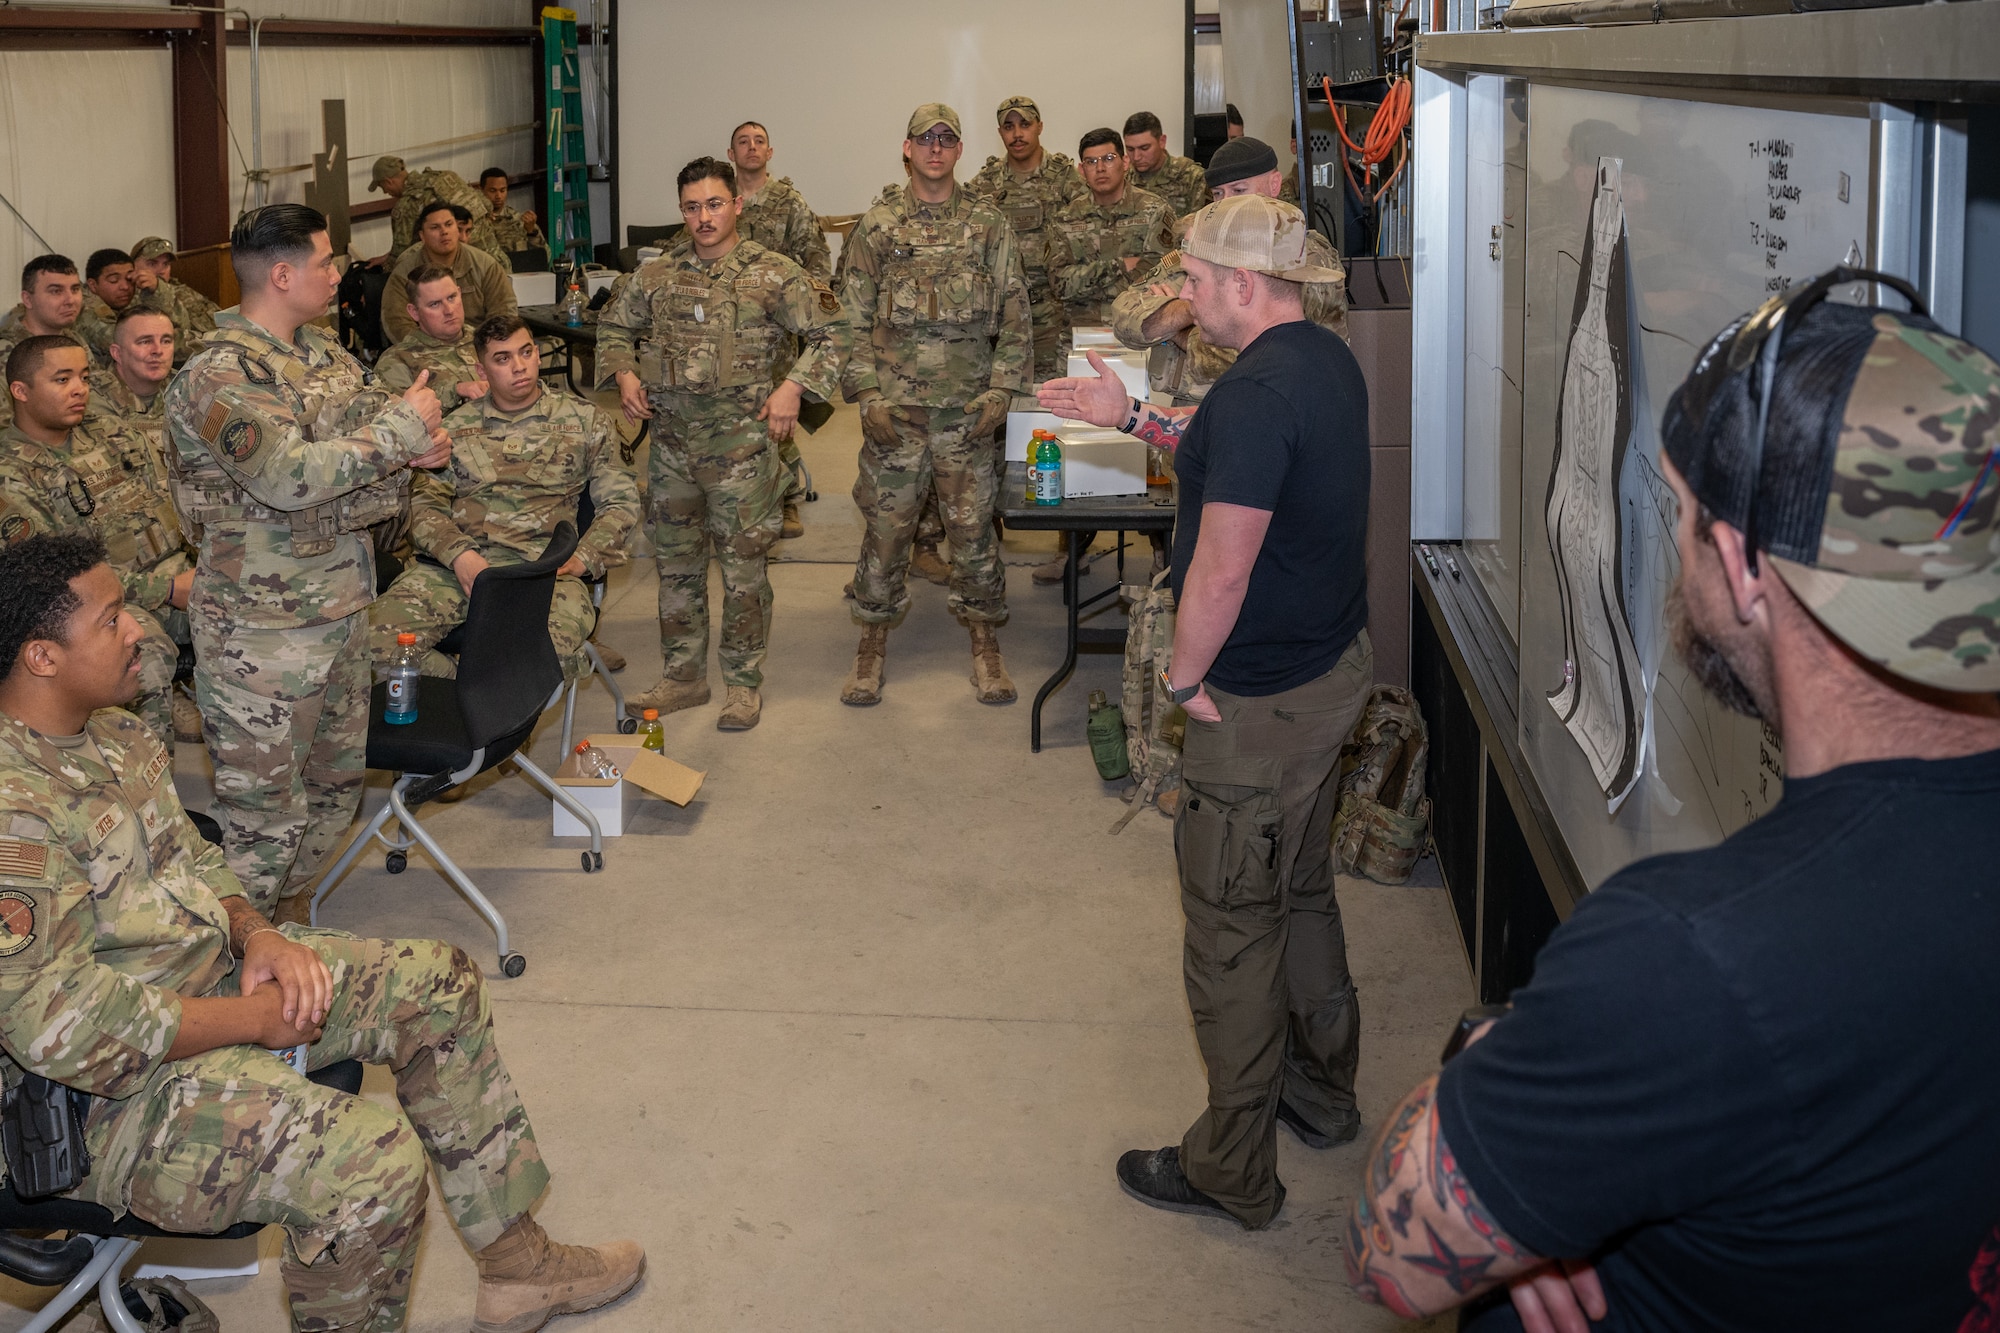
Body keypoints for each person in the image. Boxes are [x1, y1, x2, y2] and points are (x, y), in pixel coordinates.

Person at [1345, 277, 2000, 1333]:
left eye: (1681, 513)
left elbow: (1392, 1251)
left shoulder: (1690, 956)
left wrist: (1493, 1057)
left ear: (1741, 565)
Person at [0, 532, 645, 1333]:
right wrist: (252, 1021)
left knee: (437, 983)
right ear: (41, 656)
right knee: (369, 1167)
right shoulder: (13, 809)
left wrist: (258, 934)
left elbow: (196, 859)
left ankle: (518, 1270)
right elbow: (59, 1025)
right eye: (111, 618)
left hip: (200, 988)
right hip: (93, 1102)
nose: (137, 627)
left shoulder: (118, 735)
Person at [1038, 193, 1370, 1231]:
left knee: (1230, 930)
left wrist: (1182, 686)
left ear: (1239, 284)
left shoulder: (1257, 395)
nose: (1179, 293)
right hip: (1330, 681)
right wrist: (1131, 418)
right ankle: (1321, 1096)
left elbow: (1218, 572)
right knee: (1303, 889)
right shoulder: (1318, 360)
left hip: (1256, 704)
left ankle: (1230, 1168)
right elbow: (1235, 464)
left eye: (1190, 277)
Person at [164, 203, 450, 922]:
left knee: (333, 790)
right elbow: (290, 476)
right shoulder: (217, 377)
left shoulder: (322, 354)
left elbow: (363, 453)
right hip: (260, 635)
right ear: (283, 274)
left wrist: (414, 450)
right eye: (326, 261)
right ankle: (233, 970)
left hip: (342, 609)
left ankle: (287, 927)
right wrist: (399, 432)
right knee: (263, 817)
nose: (337, 272)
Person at [598, 156, 849, 732]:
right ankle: (683, 676)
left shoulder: (774, 274)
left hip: (742, 451)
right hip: (671, 450)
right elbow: (613, 326)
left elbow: (834, 333)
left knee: (742, 571)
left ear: (737, 204)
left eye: (714, 204)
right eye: (692, 207)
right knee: (676, 566)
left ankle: (742, 683)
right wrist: (625, 373)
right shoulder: (658, 275)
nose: (704, 217)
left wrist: (793, 388)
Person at [837, 104, 1029, 708]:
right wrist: (866, 393)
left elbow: (1016, 314)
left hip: (966, 416)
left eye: (947, 139)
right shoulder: (880, 226)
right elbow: (851, 318)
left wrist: (1001, 389)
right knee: (887, 535)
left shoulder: (988, 225)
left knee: (973, 536)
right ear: (907, 147)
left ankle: (985, 644)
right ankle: (870, 646)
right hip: (896, 418)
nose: (936, 149)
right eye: (926, 139)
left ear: (959, 149)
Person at [370, 314, 635, 684]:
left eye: (526, 352)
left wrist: (583, 559)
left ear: (538, 355)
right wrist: (460, 556)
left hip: (543, 577)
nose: (520, 366)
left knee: (537, 655)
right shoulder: (456, 429)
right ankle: (474, 695)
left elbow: (620, 502)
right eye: (503, 358)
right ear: (482, 369)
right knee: (371, 644)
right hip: (457, 571)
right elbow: (423, 506)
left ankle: (485, 701)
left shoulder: (585, 421)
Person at [0, 336, 192, 749]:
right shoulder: (9, 472)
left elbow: (164, 499)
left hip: (177, 572)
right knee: (146, 657)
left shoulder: (109, 433)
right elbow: (55, 581)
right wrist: (171, 589)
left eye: (85, 377)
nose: (79, 389)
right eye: (62, 379)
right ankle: (145, 792)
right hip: (99, 606)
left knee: (260, 595)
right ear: (21, 391)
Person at [1033, 127, 1175, 588]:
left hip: (1144, 348)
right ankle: (1072, 549)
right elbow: (1061, 284)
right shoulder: (1064, 218)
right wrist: (1121, 268)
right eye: (1091, 161)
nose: (1100, 168)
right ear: (1080, 169)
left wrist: (1101, 273)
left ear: (1125, 161)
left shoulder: (1156, 211)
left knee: (1153, 447)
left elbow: (1167, 279)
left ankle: (1163, 552)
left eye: (1109, 158)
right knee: (1075, 447)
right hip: (1082, 347)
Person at [1113, 136, 1348, 408]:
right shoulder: (1203, 247)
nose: (1225, 204)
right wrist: (1189, 309)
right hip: (1190, 414)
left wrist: (1177, 331)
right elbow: (1124, 316)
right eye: (1217, 194)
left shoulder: (1301, 255)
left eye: (1238, 190)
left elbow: (1260, 356)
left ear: (1274, 184)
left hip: (1270, 409)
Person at [724, 120, 832, 543]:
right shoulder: (721, 198)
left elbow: (817, 256)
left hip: (775, 329)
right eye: (742, 142)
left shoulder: (788, 201)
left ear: (770, 152)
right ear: (731, 154)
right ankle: (743, 492)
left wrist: (807, 309)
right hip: (726, 328)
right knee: (734, 412)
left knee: (775, 410)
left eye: (759, 141)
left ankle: (786, 495)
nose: (751, 148)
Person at [968, 94, 1089, 382]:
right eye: (1008, 127)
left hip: (1051, 316)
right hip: (1000, 318)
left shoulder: (1066, 180)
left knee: (1050, 402)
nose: (1017, 133)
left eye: (1025, 124)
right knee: (1002, 406)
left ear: (1039, 127)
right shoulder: (985, 184)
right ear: (1000, 133)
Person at [381, 199, 518, 344]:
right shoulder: (404, 273)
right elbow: (396, 322)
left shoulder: (485, 265)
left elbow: (504, 313)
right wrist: (427, 350)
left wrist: (485, 347)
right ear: (422, 236)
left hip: (479, 348)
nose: (444, 232)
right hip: (426, 352)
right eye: (435, 227)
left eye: (449, 224)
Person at [375, 267, 489, 417]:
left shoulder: (489, 341)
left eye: (451, 297)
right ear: (414, 312)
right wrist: (456, 391)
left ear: (460, 294)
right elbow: (400, 420)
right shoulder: (396, 361)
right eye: (435, 304)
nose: (449, 310)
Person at [0, 254, 84, 431]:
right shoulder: (5, 352)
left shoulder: (75, 341)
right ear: (27, 299)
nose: (70, 300)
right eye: (56, 291)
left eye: (75, 289)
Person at [370, 153, 486, 260]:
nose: (385, 192)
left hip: (463, 262)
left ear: (388, 181)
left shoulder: (407, 204)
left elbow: (401, 253)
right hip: (491, 253)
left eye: (382, 187)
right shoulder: (444, 176)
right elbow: (485, 204)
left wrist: (386, 268)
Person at [128, 237, 218, 365]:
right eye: (152, 263)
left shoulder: (182, 290)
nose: (161, 270)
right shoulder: (130, 296)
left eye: (166, 264)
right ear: (133, 266)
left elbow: (218, 321)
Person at [1122, 111, 1210, 218]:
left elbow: (1203, 225)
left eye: (1144, 148)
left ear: (1162, 141)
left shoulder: (1192, 177)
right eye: (1130, 149)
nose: (1136, 157)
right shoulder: (1123, 180)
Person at [75, 248, 137, 365]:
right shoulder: (90, 309)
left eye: (129, 279)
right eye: (114, 280)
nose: (125, 286)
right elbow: (134, 346)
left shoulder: (117, 299)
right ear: (93, 285)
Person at [475, 165, 546, 259]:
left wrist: (531, 232)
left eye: (502, 190)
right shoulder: (473, 221)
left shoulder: (519, 221)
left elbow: (544, 257)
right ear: (481, 190)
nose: (498, 196)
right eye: (492, 191)